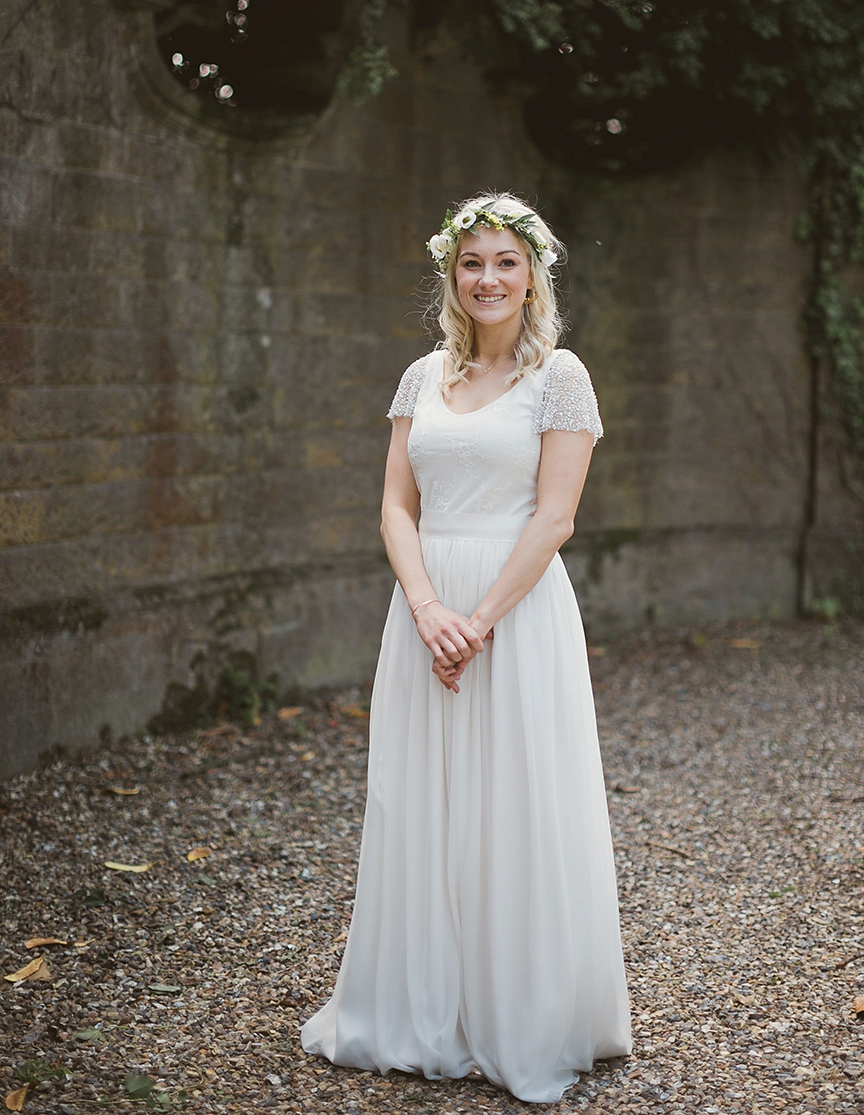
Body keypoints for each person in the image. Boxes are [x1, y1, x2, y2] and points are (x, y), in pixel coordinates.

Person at [300, 192, 631, 1102]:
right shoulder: (421, 377)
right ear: (453, 276)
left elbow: (556, 516)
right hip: (424, 611)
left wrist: (477, 619)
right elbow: (396, 504)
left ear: (532, 279)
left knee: (515, 799)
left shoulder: (562, 377)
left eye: (505, 264)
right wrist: (426, 607)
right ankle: (418, 1006)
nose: (488, 279)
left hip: (514, 615)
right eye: (472, 264)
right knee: (419, 800)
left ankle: (520, 1011)